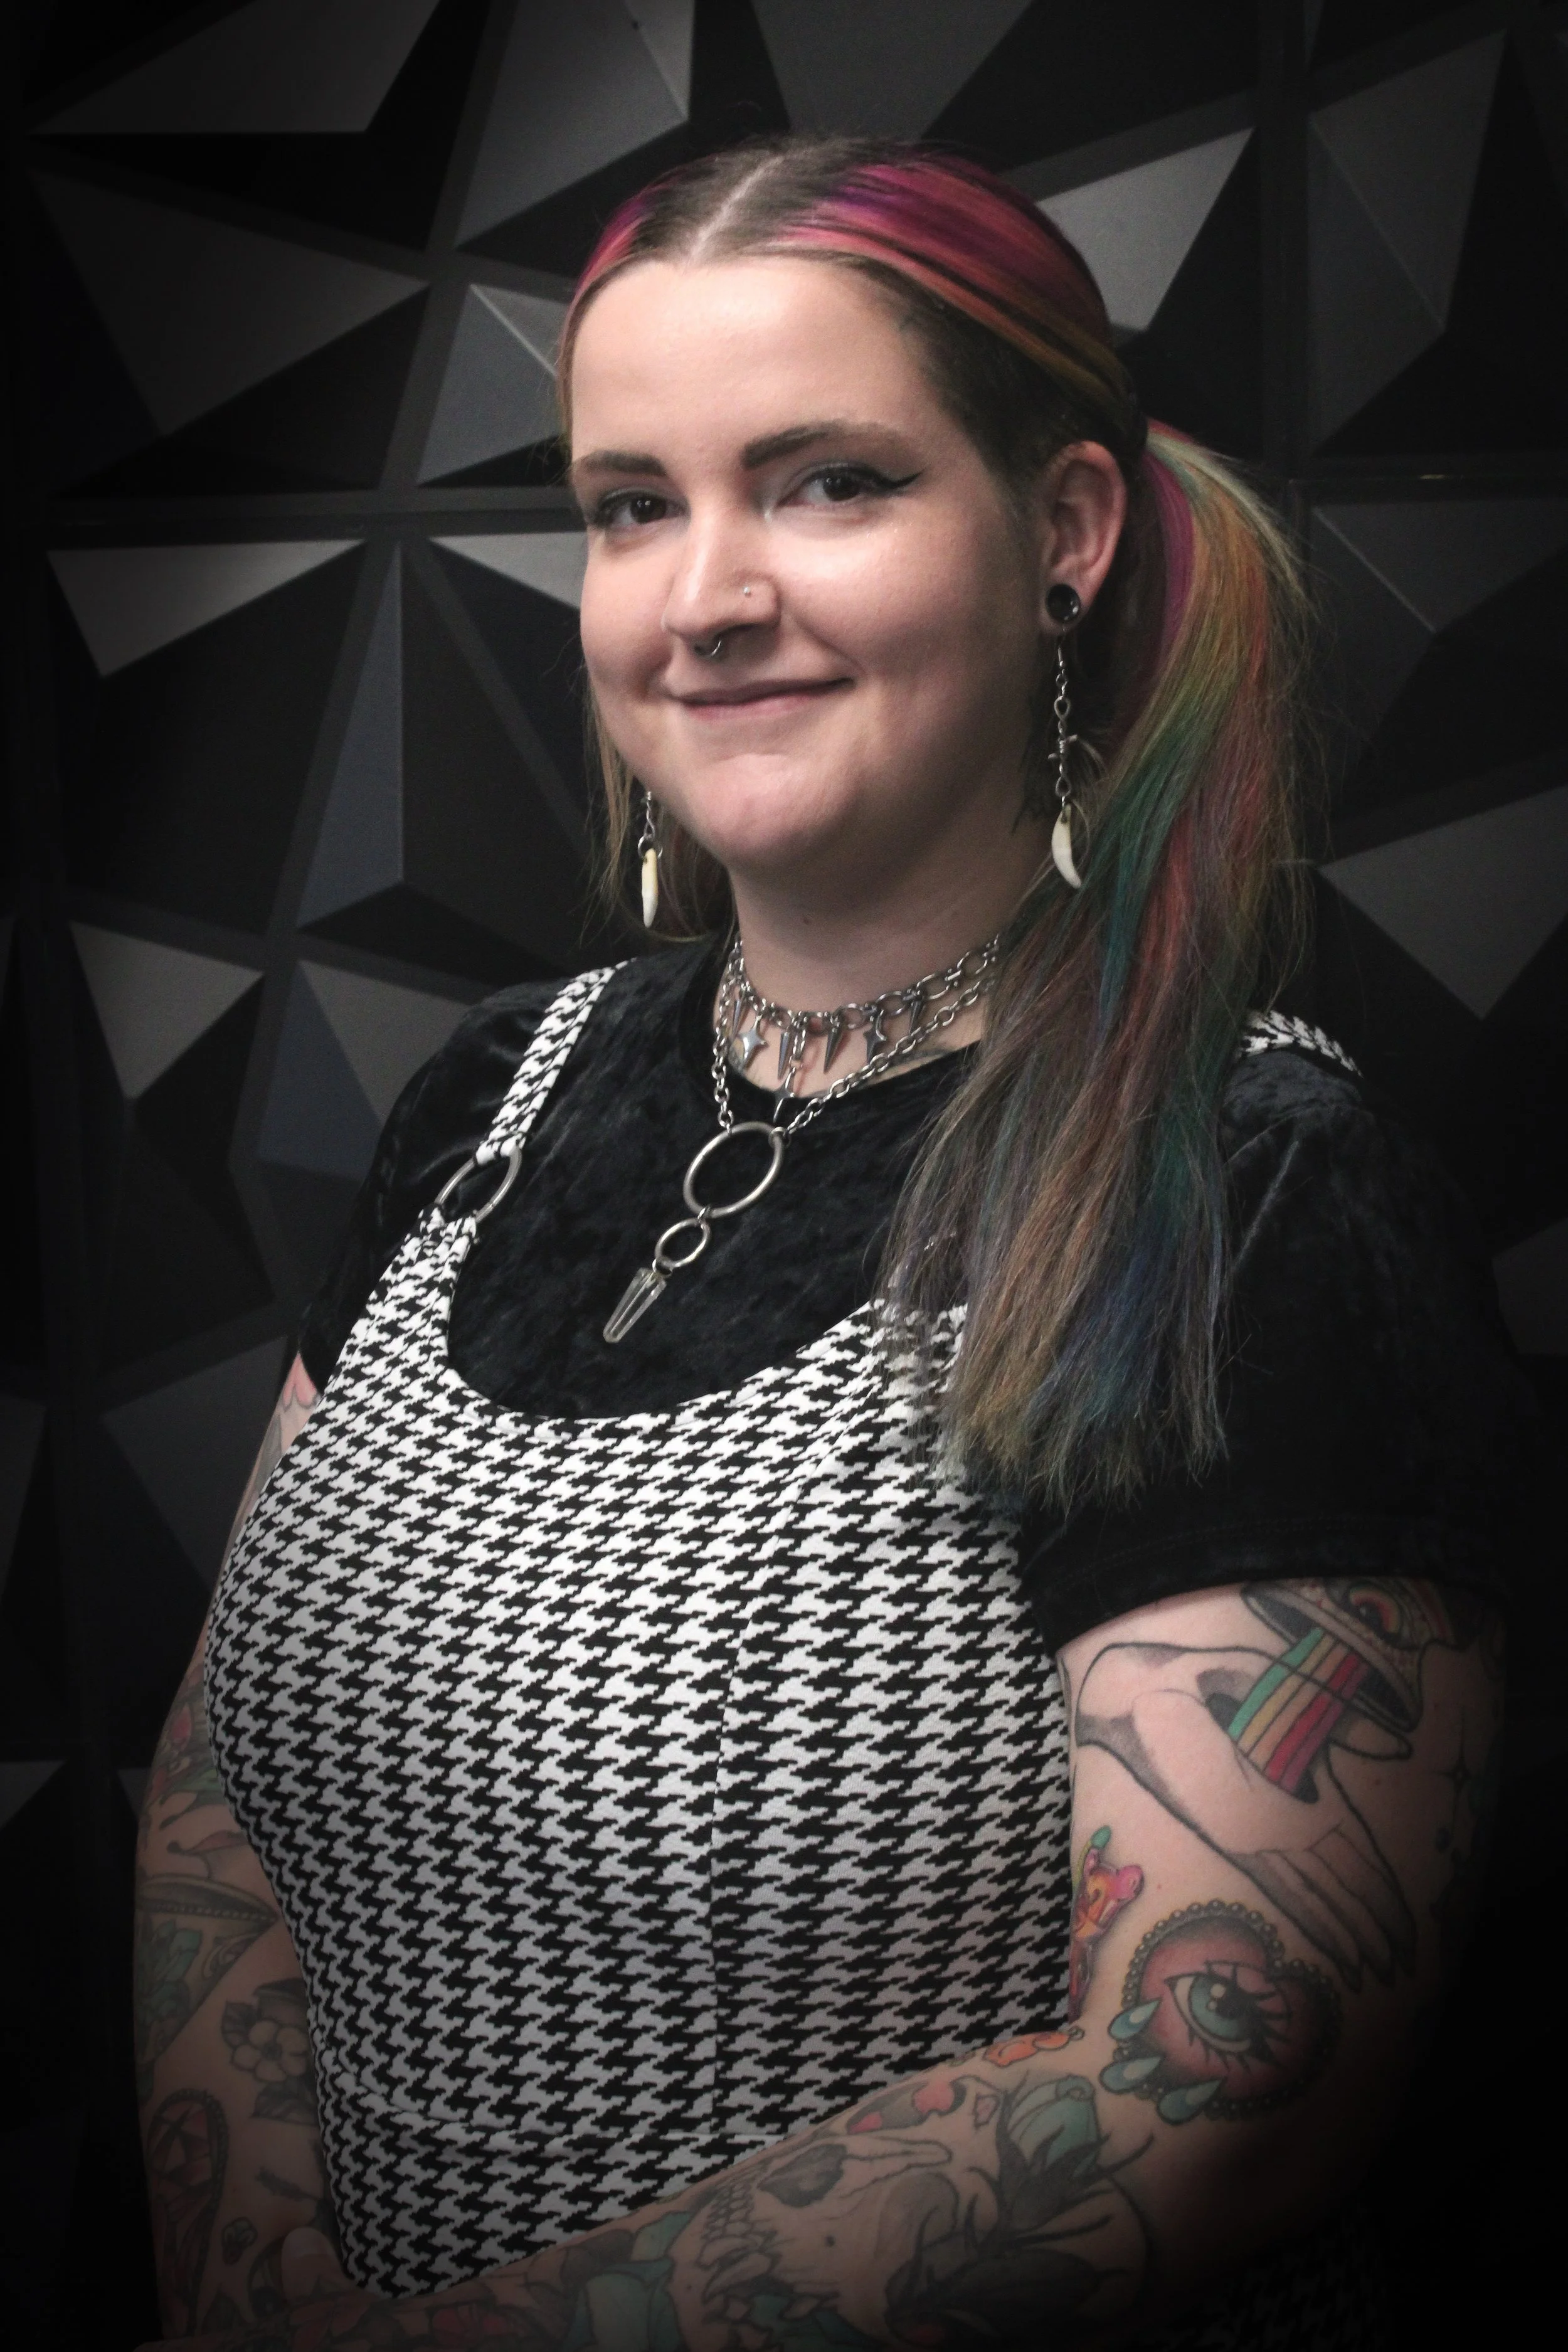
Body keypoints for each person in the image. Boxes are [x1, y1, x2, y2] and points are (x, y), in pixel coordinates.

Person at [135, 137, 1532, 2352]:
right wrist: (243, 2279)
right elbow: (224, 1787)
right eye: (627, 502)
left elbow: (1218, 2074)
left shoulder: (1240, 1179)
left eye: (825, 482)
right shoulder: (496, 1093)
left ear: (1059, 533)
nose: (702, 592)